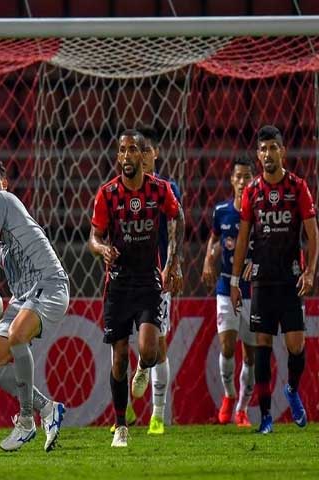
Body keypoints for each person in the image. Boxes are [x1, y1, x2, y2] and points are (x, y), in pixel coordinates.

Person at [0, 157, 69, 453]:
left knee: (19, 337)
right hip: (24, 298)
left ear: (4, 184)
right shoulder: (5, 224)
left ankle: (25, 421)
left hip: (50, 283)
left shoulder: (0, 199)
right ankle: (47, 409)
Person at [88, 130, 184, 448]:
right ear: (118, 157)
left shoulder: (159, 190)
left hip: (147, 280)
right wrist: (101, 249)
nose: (127, 156)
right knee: (117, 359)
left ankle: (143, 368)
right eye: (122, 150)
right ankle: (120, 426)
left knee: (150, 350)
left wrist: (174, 261)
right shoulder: (107, 194)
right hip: (117, 283)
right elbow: (93, 237)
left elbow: (178, 216)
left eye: (133, 150)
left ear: (144, 155)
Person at [231, 125, 318, 434]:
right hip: (262, 280)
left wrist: (309, 272)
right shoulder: (252, 191)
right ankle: (265, 417)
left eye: (273, 148)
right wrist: (233, 282)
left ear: (283, 151)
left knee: (296, 346)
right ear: (258, 154)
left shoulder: (298, 187)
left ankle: (292, 390)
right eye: (263, 149)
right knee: (262, 346)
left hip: (291, 279)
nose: (268, 154)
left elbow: (312, 232)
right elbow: (242, 239)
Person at [127, 126, 183, 435]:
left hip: (156, 277)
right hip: (127, 277)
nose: (142, 156)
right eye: (136, 151)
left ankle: (158, 416)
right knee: (121, 341)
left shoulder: (167, 187)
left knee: (158, 344)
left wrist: (172, 265)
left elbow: (175, 229)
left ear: (156, 153)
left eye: (146, 150)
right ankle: (124, 409)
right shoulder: (122, 188)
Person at [201, 157, 255, 427]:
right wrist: (208, 259)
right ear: (232, 180)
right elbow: (213, 238)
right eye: (239, 177)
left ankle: (243, 409)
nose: (243, 182)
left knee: (252, 354)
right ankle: (228, 395)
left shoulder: (257, 213)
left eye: (247, 177)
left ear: (253, 180)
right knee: (227, 346)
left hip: (252, 290)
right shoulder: (221, 211)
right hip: (225, 285)